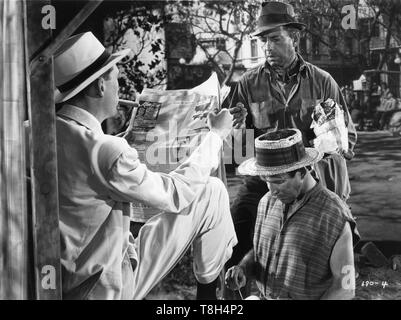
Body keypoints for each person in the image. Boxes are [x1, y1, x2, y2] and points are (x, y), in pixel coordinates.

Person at [54, 32, 237, 300]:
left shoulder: (35, 132)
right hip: (104, 288)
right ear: (100, 87)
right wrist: (216, 135)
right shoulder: (107, 152)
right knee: (212, 191)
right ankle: (207, 297)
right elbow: (175, 194)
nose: (119, 87)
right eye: (116, 77)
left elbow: (83, 161)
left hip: (61, 278)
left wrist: (125, 141)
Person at [225, 1, 357, 298]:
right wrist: (236, 129)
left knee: (317, 245)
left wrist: (330, 135)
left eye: (274, 38)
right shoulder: (247, 83)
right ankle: (243, 291)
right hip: (264, 177)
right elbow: (236, 149)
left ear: (293, 38)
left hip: (310, 174)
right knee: (233, 230)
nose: (267, 47)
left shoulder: (324, 82)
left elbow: (348, 138)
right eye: (262, 40)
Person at [225, 129, 359, 300]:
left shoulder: (334, 215)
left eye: (279, 181)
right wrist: (243, 268)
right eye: (266, 182)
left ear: (302, 172)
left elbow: (346, 288)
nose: (272, 191)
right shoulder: (266, 202)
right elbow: (263, 250)